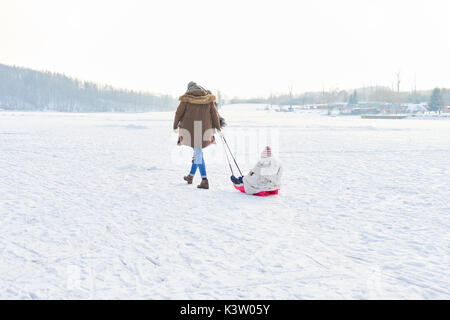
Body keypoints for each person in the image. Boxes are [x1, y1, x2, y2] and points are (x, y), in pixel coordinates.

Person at [173, 82, 222, 189]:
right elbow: (214, 114)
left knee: (198, 153)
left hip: (191, 129)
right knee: (198, 152)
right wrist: (218, 128)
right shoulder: (208, 98)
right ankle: (190, 176)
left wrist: (175, 126)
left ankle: (204, 180)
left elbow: (178, 113)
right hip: (204, 129)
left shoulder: (186, 99)